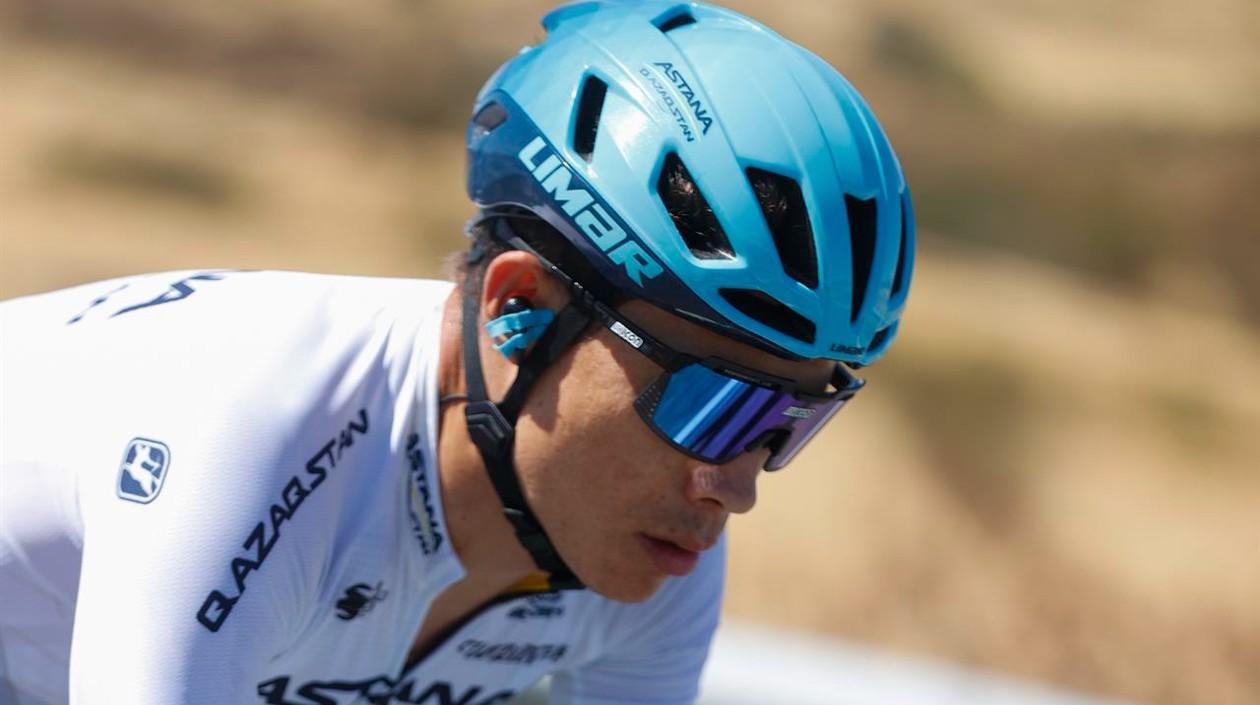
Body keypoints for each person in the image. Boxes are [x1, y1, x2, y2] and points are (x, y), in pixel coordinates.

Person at [0, 1, 915, 703]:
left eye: (789, 421)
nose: (737, 485)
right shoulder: (248, 423)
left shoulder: (658, 539)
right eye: (714, 406)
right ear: (520, 308)